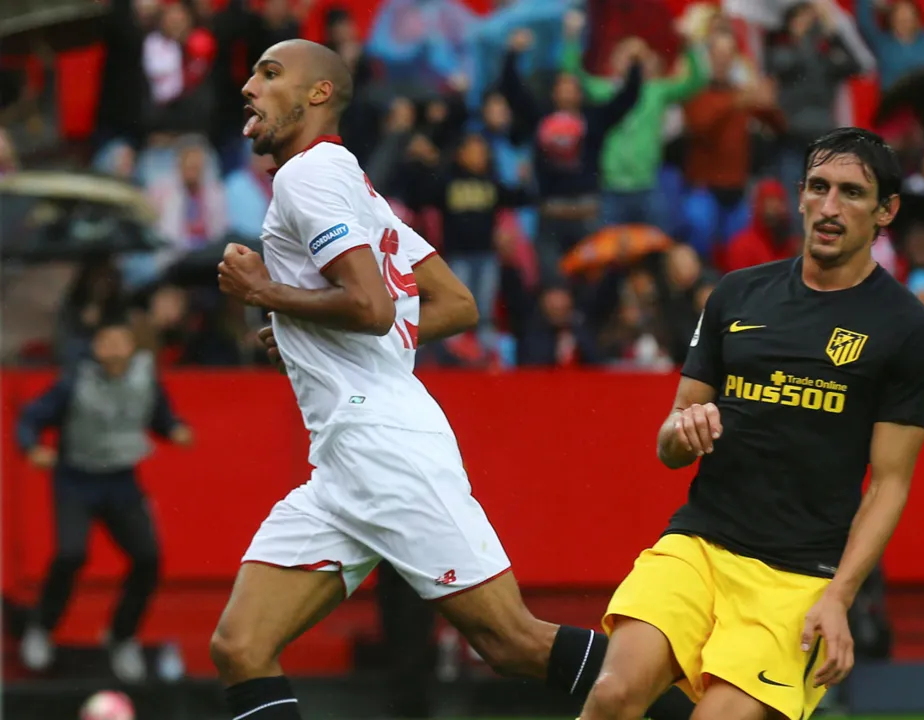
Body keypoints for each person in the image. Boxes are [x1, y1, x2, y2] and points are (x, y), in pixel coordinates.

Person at [211, 39, 694, 720]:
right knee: (241, 645)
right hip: (345, 460)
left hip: (382, 445)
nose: (249, 87)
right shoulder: (349, 180)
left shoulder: (306, 178)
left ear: (318, 93)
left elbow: (372, 307)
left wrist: (265, 292)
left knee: (512, 642)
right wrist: (300, 327)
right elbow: (454, 303)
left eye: (269, 73)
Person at [579, 127, 924, 720]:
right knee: (613, 694)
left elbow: (889, 483)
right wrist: (684, 430)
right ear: (799, 195)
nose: (830, 207)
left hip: (799, 578)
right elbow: (670, 442)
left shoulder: (909, 329)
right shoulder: (736, 294)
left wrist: (840, 597)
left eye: (852, 192)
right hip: (699, 544)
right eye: (818, 187)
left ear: (886, 211)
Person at [17, 316, 193, 683]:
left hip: (121, 481)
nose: (111, 348)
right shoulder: (74, 381)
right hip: (76, 479)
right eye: (104, 341)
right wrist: (31, 447)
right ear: (95, 348)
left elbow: (158, 416)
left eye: (119, 340)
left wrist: (174, 428)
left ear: (132, 347)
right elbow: (32, 416)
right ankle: (41, 628)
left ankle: (121, 636)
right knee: (70, 554)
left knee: (147, 558)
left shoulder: (146, 378)